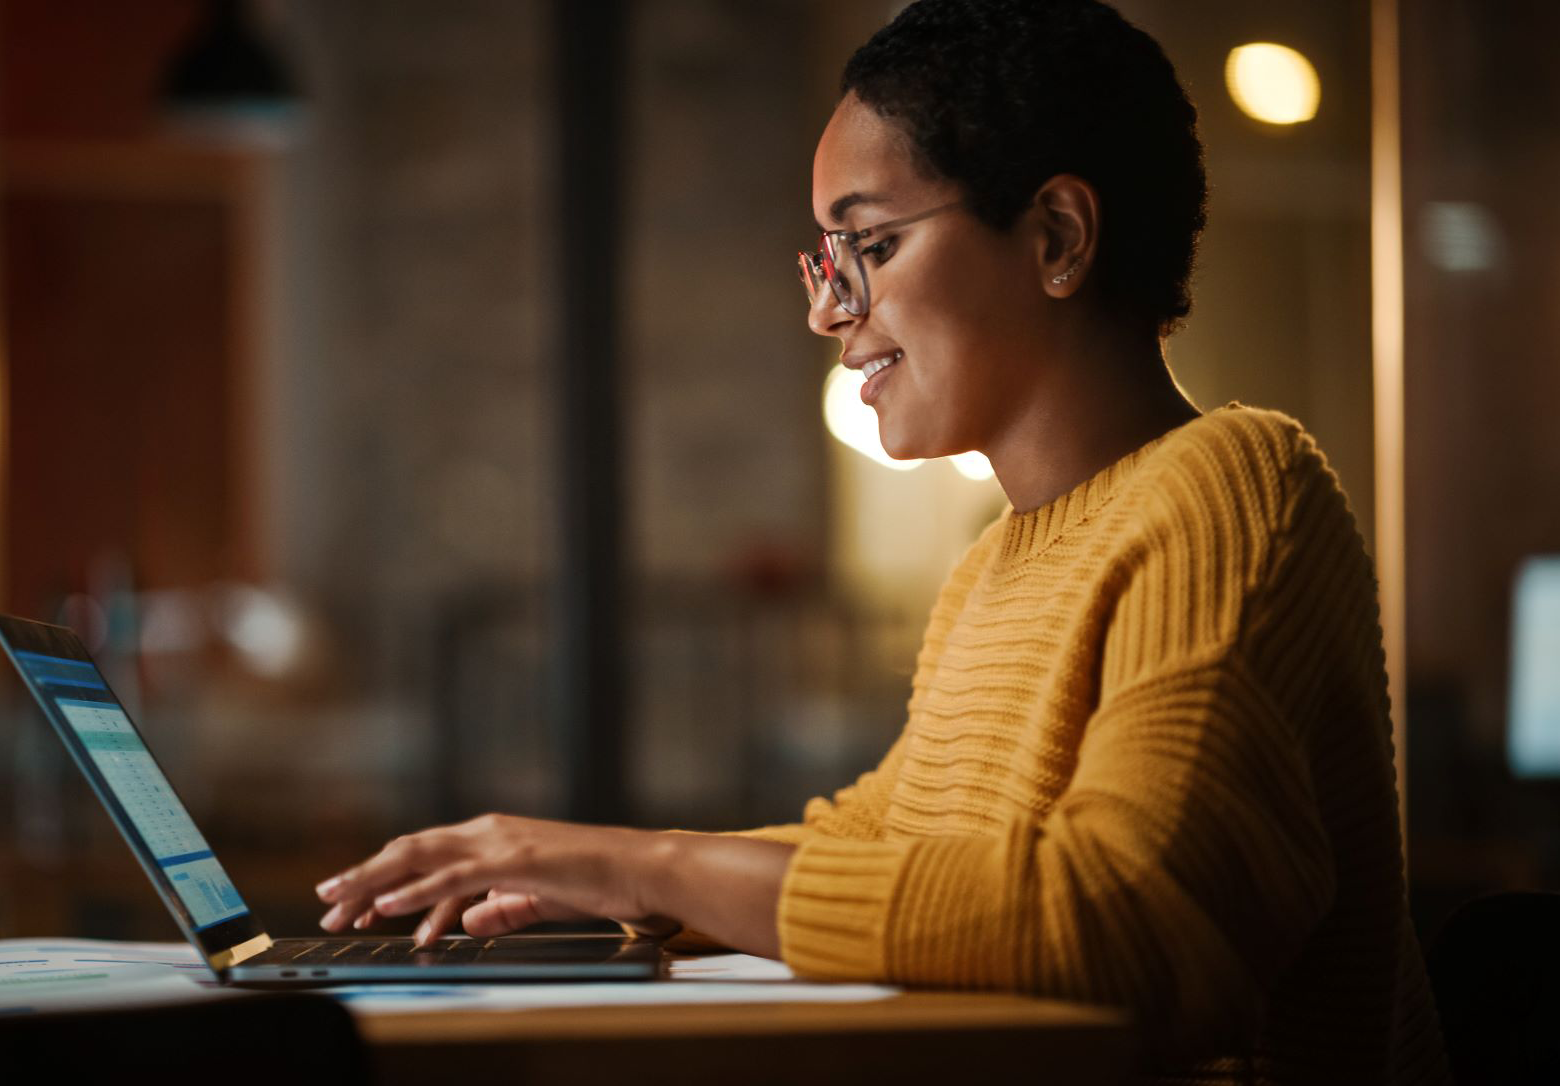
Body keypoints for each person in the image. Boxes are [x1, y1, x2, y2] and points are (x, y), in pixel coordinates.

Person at [316, 1, 1449, 1079]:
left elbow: (1126, 922)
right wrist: (607, 880)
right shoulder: (994, 567)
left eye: (869, 244)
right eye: (825, 257)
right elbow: (882, 843)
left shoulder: (1236, 487)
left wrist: (640, 865)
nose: (827, 310)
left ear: (1056, 234)